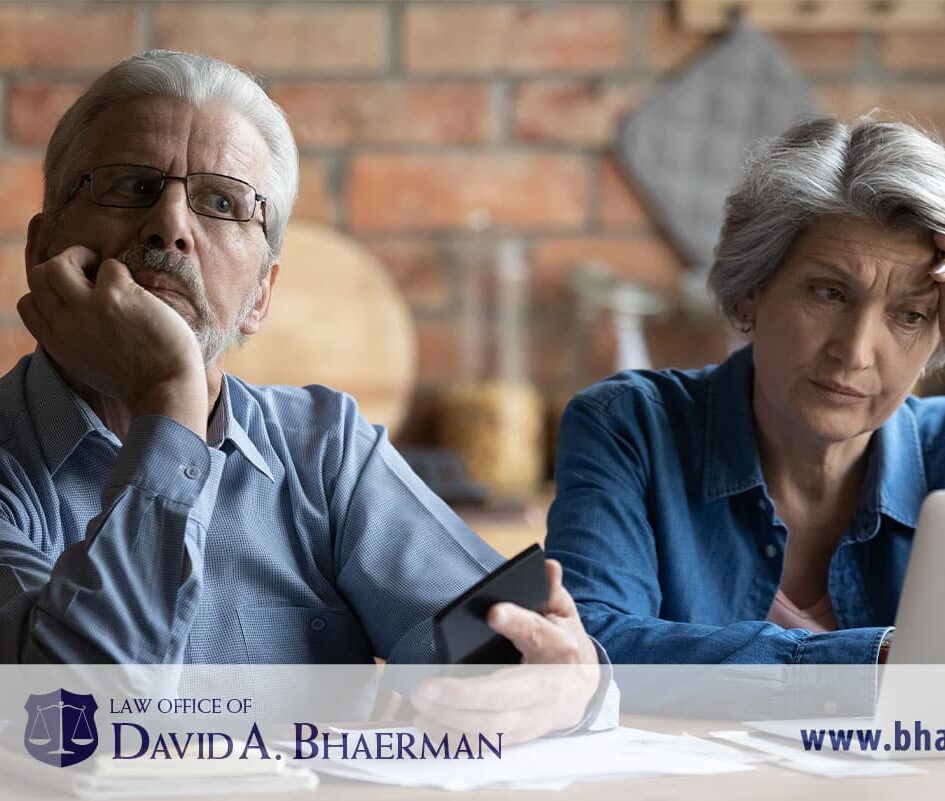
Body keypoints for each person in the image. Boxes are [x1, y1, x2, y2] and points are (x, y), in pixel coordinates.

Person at [0, 49, 609, 741]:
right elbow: (72, 726)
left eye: (222, 202)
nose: (170, 225)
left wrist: (572, 684)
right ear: (43, 250)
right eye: (133, 186)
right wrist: (169, 399)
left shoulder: (324, 449)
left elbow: (510, 644)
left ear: (261, 293)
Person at [545, 116, 945, 665]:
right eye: (829, 293)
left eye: (909, 315)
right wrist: (875, 660)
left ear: (940, 338)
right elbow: (591, 645)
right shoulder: (631, 428)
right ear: (750, 294)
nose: (855, 352)